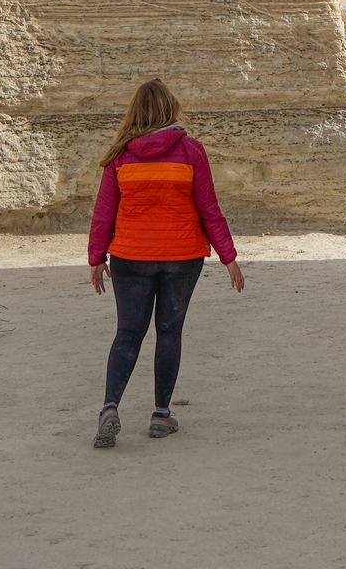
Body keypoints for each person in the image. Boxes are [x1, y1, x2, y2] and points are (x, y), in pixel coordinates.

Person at [86, 76, 245, 448]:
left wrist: (96, 258)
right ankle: (160, 415)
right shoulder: (191, 150)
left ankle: (110, 407)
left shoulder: (120, 155)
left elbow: (103, 213)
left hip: (130, 256)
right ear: (170, 109)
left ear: (136, 112)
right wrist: (229, 258)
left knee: (128, 332)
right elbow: (209, 209)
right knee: (168, 332)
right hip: (181, 256)